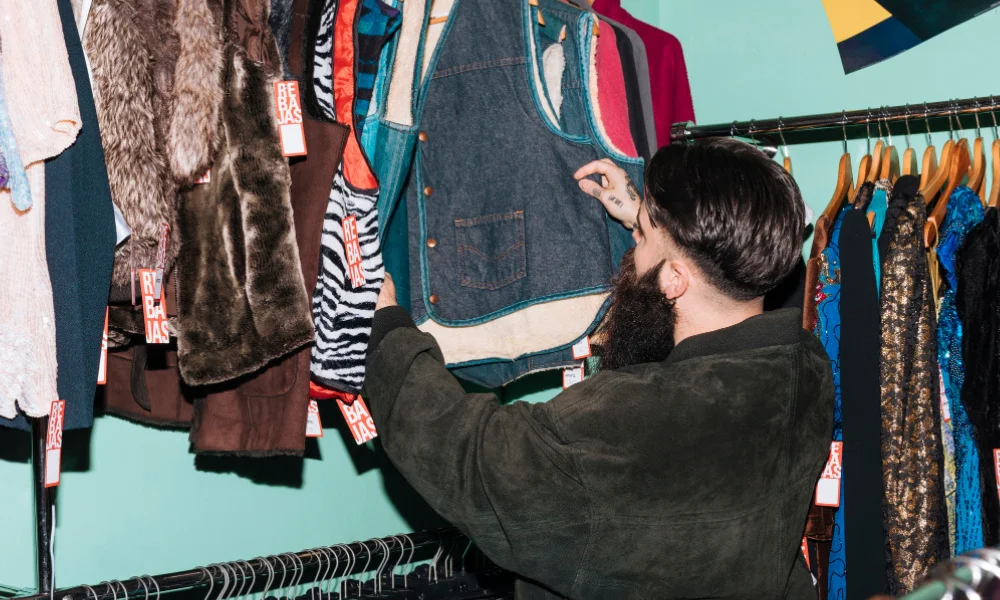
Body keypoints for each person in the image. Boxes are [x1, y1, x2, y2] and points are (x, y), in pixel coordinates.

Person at [364, 138, 835, 599]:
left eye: (645, 238)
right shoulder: (807, 371)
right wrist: (644, 219)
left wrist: (388, 332)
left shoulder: (630, 421)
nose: (634, 250)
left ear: (676, 279)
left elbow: (471, 456)